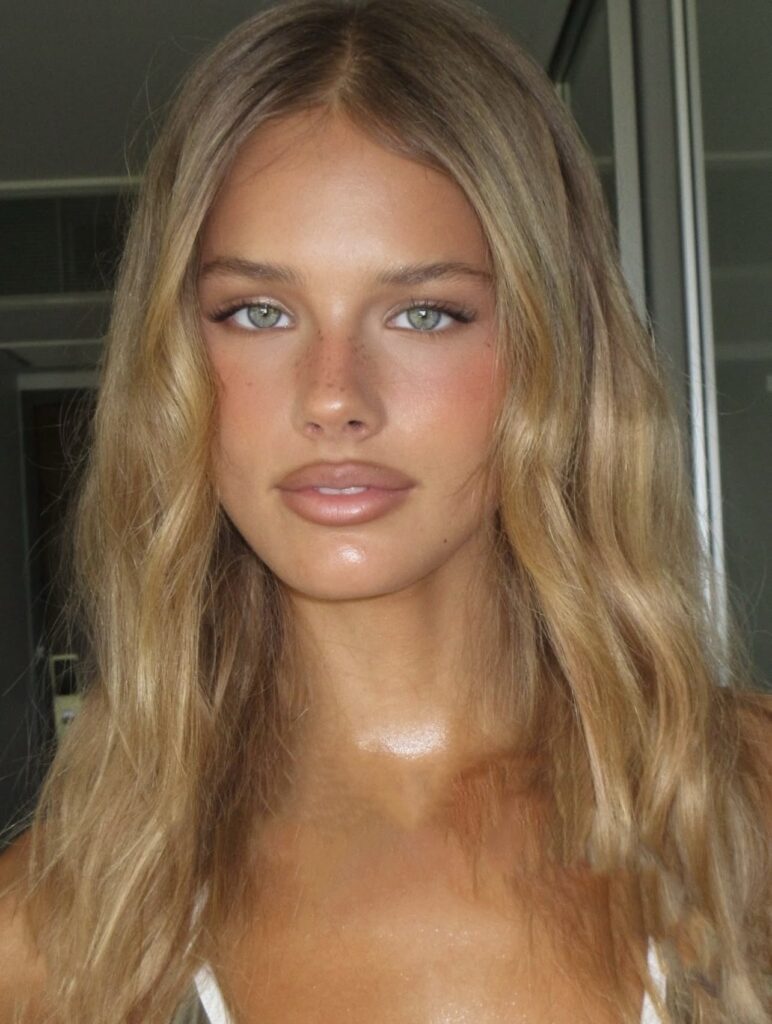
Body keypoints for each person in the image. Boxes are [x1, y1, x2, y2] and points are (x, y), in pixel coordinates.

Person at [0, 0, 769, 1021]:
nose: (333, 397)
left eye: (423, 313)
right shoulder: (56, 931)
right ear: (174, 361)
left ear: (554, 350)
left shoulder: (746, 812)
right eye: (258, 312)